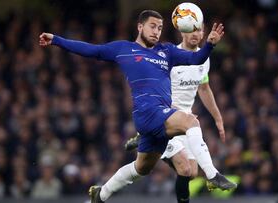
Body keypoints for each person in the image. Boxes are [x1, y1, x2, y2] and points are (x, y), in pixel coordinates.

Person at [39, 10, 236, 203]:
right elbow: (92, 50)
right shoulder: (124, 49)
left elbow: (196, 59)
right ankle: (212, 175)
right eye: (152, 26)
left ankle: (100, 195)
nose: (156, 31)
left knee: (141, 168)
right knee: (190, 121)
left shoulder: (166, 51)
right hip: (148, 112)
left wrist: (209, 44)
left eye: (160, 28)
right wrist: (56, 39)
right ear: (140, 26)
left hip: (159, 117)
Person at [124, 24, 230, 203]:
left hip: (185, 121)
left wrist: (218, 118)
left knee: (193, 173)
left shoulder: (203, 58)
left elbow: (204, 89)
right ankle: (154, 139)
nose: (196, 34)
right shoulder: (169, 57)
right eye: (192, 30)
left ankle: (146, 139)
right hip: (166, 118)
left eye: (199, 30)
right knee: (184, 169)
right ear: (183, 31)